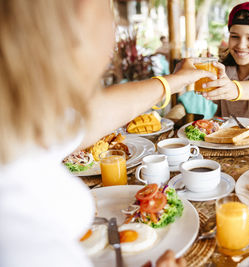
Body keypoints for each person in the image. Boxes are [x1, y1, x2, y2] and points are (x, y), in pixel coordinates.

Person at [0, 1, 215, 267]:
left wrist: (173, 81)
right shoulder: (23, 229)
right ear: (77, 19)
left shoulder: (23, 121)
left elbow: (93, 115)